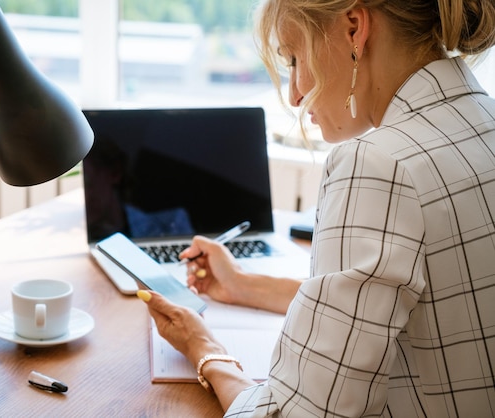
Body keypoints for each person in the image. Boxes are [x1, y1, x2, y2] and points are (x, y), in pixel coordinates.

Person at [136, 0, 495, 416]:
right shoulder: (481, 122)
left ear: (354, 28)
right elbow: (403, 308)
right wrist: (244, 286)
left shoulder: (379, 164)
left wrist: (205, 350)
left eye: (294, 58)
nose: (294, 94)